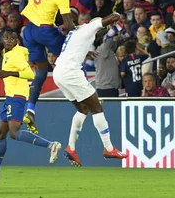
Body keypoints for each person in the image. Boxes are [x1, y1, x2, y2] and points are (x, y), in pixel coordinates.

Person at [0, 0, 83, 134]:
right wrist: (78, 33)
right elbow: (68, 26)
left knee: (41, 71)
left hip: (29, 31)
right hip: (45, 32)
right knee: (75, 55)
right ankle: (84, 97)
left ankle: (30, 110)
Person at [0, 31, 62, 183]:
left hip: (17, 97)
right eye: (6, 38)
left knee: (14, 133)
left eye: (12, 38)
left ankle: (51, 145)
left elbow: (30, 74)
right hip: (10, 96)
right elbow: (25, 53)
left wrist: (8, 72)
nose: (8, 40)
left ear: (17, 40)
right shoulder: (9, 52)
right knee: (0, 134)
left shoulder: (16, 54)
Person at [53, 13, 127, 166]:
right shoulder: (89, 27)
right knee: (97, 107)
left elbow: (73, 48)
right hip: (71, 73)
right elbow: (111, 18)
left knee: (83, 109)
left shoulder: (77, 32)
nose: (103, 29)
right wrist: (117, 15)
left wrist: (87, 52)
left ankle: (71, 148)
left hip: (59, 72)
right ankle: (108, 148)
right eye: (102, 27)